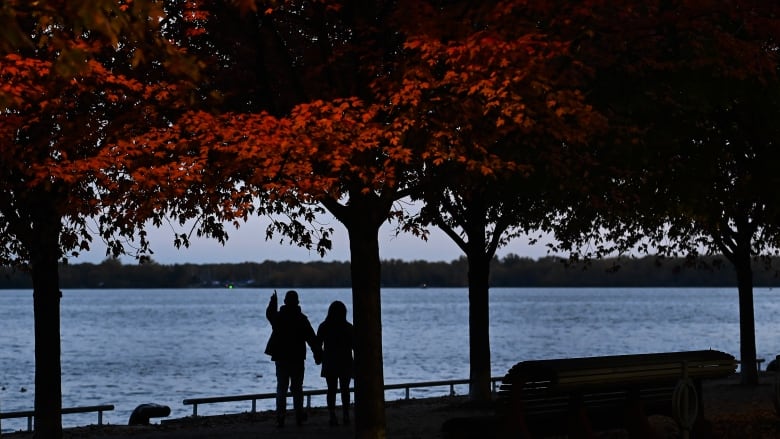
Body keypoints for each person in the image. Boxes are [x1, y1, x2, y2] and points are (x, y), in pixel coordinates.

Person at [265, 290, 321, 427]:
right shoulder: (302, 319)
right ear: (297, 302)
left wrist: (273, 303)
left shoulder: (279, 318)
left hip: (281, 357)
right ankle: (299, 415)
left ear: (284, 302)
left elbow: (270, 315)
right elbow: (312, 339)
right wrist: (318, 354)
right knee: (297, 388)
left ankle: (280, 416)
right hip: (297, 358)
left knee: (281, 387)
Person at [316, 300, 355, 426]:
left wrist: (319, 357)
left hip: (329, 362)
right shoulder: (349, 327)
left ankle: (332, 415)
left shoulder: (324, 326)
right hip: (346, 362)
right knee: (345, 389)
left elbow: (317, 345)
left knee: (331, 389)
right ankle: (346, 415)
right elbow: (355, 346)